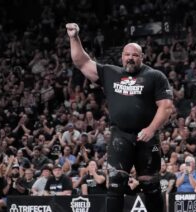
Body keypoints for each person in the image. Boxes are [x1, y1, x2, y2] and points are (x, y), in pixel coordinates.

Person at [66, 23, 173, 212]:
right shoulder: (110, 73)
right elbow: (81, 62)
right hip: (120, 136)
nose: (130, 58)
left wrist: (151, 129)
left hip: (147, 138)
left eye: (135, 55)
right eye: (127, 55)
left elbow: (166, 107)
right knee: (115, 183)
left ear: (142, 57)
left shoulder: (155, 76)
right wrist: (74, 37)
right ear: (121, 56)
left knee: (151, 185)